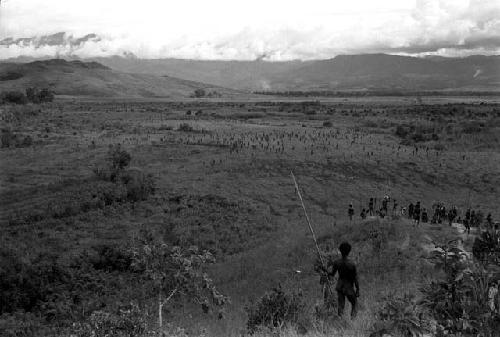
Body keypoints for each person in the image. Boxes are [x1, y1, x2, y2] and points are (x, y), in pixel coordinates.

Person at [320, 242, 360, 319]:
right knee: (355, 303)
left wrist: (325, 269)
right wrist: (357, 289)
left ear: (340, 251)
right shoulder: (352, 264)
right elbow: (355, 278)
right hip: (349, 287)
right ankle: (353, 319)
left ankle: (340, 319)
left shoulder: (337, 262)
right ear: (349, 251)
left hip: (340, 286)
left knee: (341, 305)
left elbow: (331, 274)